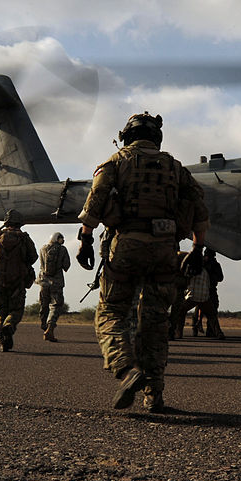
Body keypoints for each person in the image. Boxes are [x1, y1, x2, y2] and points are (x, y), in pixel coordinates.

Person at [76, 111, 209, 413]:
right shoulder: (177, 169)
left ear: (126, 136)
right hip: (165, 250)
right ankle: (154, 395)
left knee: (110, 311)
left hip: (126, 246)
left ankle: (126, 369)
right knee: (156, 322)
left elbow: (95, 200)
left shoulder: (114, 162)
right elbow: (200, 211)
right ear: (156, 138)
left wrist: (85, 239)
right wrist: (198, 249)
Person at [0, 209, 38, 352]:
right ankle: (8, 326)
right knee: (16, 311)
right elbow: (33, 257)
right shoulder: (24, 238)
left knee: (1, 312)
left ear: (6, 222)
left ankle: (2, 338)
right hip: (18, 282)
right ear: (20, 223)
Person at [37, 232, 71, 342]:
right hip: (56, 282)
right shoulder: (62, 250)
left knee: (44, 304)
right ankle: (50, 329)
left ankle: (44, 326)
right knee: (56, 305)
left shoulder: (42, 248)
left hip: (43, 282)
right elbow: (66, 265)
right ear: (58, 239)